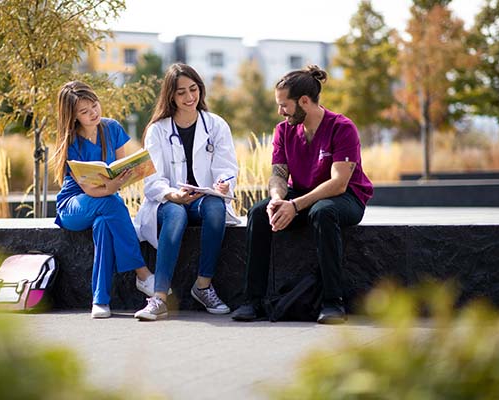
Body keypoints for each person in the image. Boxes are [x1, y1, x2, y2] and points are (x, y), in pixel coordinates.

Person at [231, 65, 373, 324]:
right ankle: (252, 301)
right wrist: (276, 199)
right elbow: (278, 174)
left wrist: (295, 206)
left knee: (323, 211)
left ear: (304, 101)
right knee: (259, 213)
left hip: (345, 198)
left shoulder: (342, 127)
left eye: (284, 105)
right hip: (301, 196)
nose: (280, 111)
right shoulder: (283, 130)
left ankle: (332, 303)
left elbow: (339, 183)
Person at [134, 63, 240, 321]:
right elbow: (152, 181)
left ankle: (203, 286)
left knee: (216, 208)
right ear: (171, 95)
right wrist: (172, 195)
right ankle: (158, 298)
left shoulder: (216, 125)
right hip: (168, 201)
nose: (189, 97)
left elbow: (226, 167)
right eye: (181, 92)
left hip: (203, 199)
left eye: (193, 89)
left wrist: (223, 184)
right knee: (176, 215)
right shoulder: (157, 130)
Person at [53, 81, 157, 319]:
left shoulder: (111, 128)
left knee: (103, 225)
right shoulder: (71, 143)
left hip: (107, 203)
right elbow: (91, 191)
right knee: (111, 203)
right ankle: (142, 274)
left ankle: (100, 300)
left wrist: (124, 177)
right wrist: (113, 186)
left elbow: (120, 168)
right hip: (74, 206)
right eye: (84, 111)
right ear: (73, 116)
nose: (93, 113)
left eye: (94, 105)